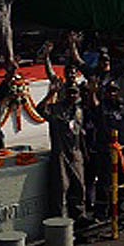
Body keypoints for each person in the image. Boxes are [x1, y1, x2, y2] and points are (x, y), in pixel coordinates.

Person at [39, 42, 87, 222]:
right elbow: (50, 74)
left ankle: (79, 215)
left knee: (79, 184)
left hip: (75, 143)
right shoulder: (59, 86)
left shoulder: (80, 97)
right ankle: (60, 220)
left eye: (74, 73)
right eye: (69, 72)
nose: (71, 75)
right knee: (61, 186)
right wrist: (47, 58)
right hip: (60, 126)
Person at [83, 78, 124, 220]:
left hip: (121, 151)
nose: (112, 94)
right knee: (104, 182)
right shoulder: (102, 107)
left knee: (121, 180)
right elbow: (94, 104)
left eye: (115, 91)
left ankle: (118, 207)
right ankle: (101, 211)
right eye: (110, 91)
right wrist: (92, 91)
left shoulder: (122, 107)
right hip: (106, 151)